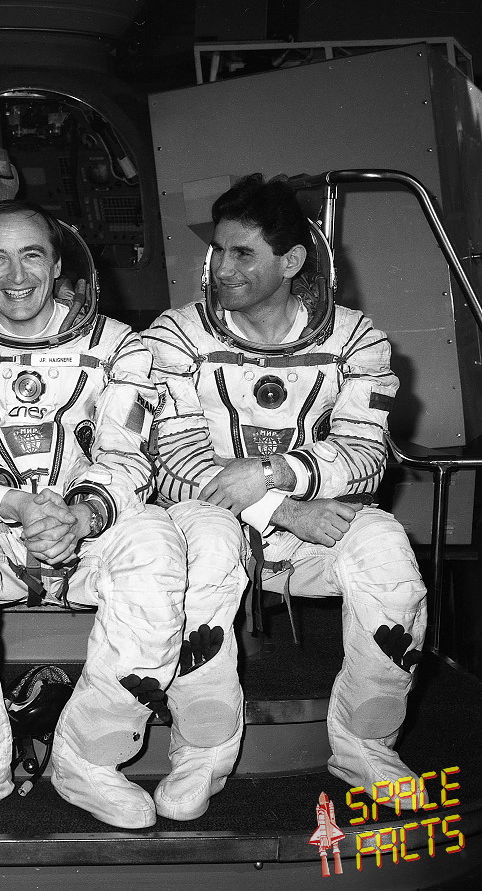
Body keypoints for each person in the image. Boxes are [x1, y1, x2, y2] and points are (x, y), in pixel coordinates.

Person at [143, 173, 427, 820]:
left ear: (292, 260)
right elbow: (175, 462)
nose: (222, 269)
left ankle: (365, 745)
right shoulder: (176, 336)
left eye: (243, 253)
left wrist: (275, 471)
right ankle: (202, 751)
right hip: (212, 519)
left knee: (388, 557)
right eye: (219, 251)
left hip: (308, 525)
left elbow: (365, 455)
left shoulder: (354, 339)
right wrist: (284, 507)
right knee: (207, 559)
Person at [0, 199, 186, 831]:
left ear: (58, 265)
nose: (16, 275)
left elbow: (127, 457)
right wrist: (19, 505)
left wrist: (80, 516)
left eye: (32, 255)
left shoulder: (120, 346)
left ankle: (91, 760)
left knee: (155, 540)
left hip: (85, 532)